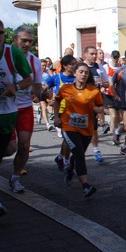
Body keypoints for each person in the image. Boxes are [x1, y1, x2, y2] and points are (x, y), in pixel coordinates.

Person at [0, 16, 33, 217]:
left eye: (0, 32)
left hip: (7, 113)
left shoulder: (12, 54)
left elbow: (29, 79)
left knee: (0, 154)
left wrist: (16, 87)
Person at [53, 62, 103, 197]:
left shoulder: (94, 91)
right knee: (80, 155)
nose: (84, 74)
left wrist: (99, 110)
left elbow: (100, 106)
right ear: (74, 73)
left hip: (87, 129)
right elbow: (56, 101)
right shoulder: (66, 89)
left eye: (86, 72)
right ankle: (86, 185)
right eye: (81, 72)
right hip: (69, 127)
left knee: (78, 155)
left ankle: (69, 170)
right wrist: (57, 117)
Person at [8, 26, 43, 193]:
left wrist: (42, 95)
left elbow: (36, 85)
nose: (27, 44)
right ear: (15, 40)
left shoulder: (35, 61)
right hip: (5, 108)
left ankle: (15, 178)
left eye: (30, 41)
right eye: (23, 40)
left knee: (23, 145)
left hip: (25, 107)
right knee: (9, 148)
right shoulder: (5, 56)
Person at [82, 46, 110, 161]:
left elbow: (107, 83)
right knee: (79, 128)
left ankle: (96, 150)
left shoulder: (99, 68)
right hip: (81, 102)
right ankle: (73, 153)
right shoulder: (80, 67)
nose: (94, 56)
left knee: (93, 128)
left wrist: (103, 84)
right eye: (92, 54)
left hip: (94, 101)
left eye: (95, 54)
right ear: (85, 55)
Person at [103, 50, 122, 141]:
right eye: (114, 57)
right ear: (111, 57)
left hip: (118, 94)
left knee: (119, 117)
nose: (116, 59)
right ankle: (114, 134)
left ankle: (113, 126)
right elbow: (101, 79)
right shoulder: (106, 67)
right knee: (114, 115)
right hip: (109, 94)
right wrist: (102, 86)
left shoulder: (121, 68)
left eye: (117, 57)